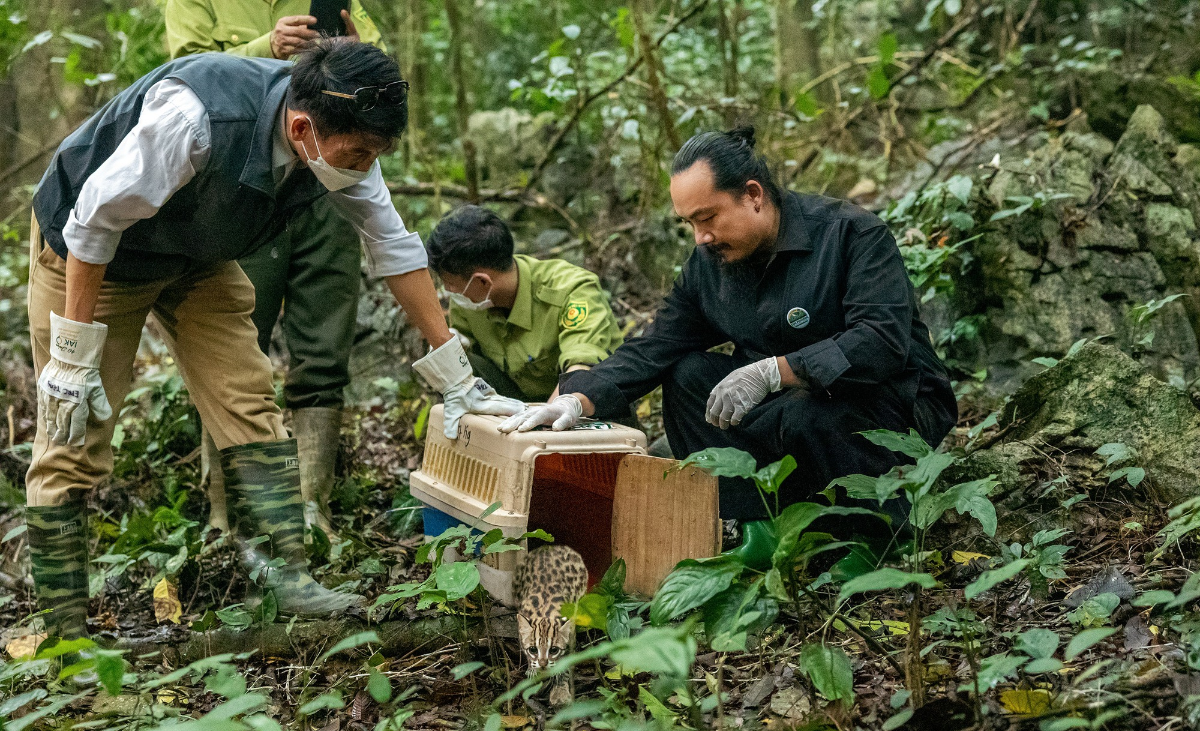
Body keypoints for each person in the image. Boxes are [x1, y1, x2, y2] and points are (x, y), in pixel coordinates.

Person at [25, 40, 521, 645]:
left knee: (249, 400)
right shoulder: (195, 118)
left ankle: (288, 579)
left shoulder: (342, 138)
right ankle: (65, 635)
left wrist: (457, 379)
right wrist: (72, 355)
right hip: (93, 259)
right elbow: (93, 221)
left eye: (377, 153)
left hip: (196, 260)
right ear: (303, 126)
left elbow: (392, 246)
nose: (367, 165)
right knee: (72, 432)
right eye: (361, 152)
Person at [501, 126, 957, 528]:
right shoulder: (711, 263)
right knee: (686, 378)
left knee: (809, 412)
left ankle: (869, 531)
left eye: (708, 217)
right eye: (689, 223)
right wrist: (577, 399)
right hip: (788, 406)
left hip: (893, 402)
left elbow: (881, 341)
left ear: (753, 195)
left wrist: (775, 371)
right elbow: (657, 345)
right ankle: (750, 518)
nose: (700, 237)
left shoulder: (851, 235)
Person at [164, 0, 386, 537]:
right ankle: (223, 511)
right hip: (244, 182)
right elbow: (181, 75)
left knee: (324, 350)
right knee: (231, 351)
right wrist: (268, 46)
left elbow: (379, 73)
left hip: (327, 185)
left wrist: (351, 55)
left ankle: (313, 508)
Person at [425, 205, 624, 403]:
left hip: (588, 405)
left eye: (451, 285)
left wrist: (552, 419)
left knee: (587, 385)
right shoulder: (469, 300)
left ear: (483, 281)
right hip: (518, 401)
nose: (449, 292)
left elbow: (582, 366)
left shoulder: (571, 289)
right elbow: (469, 361)